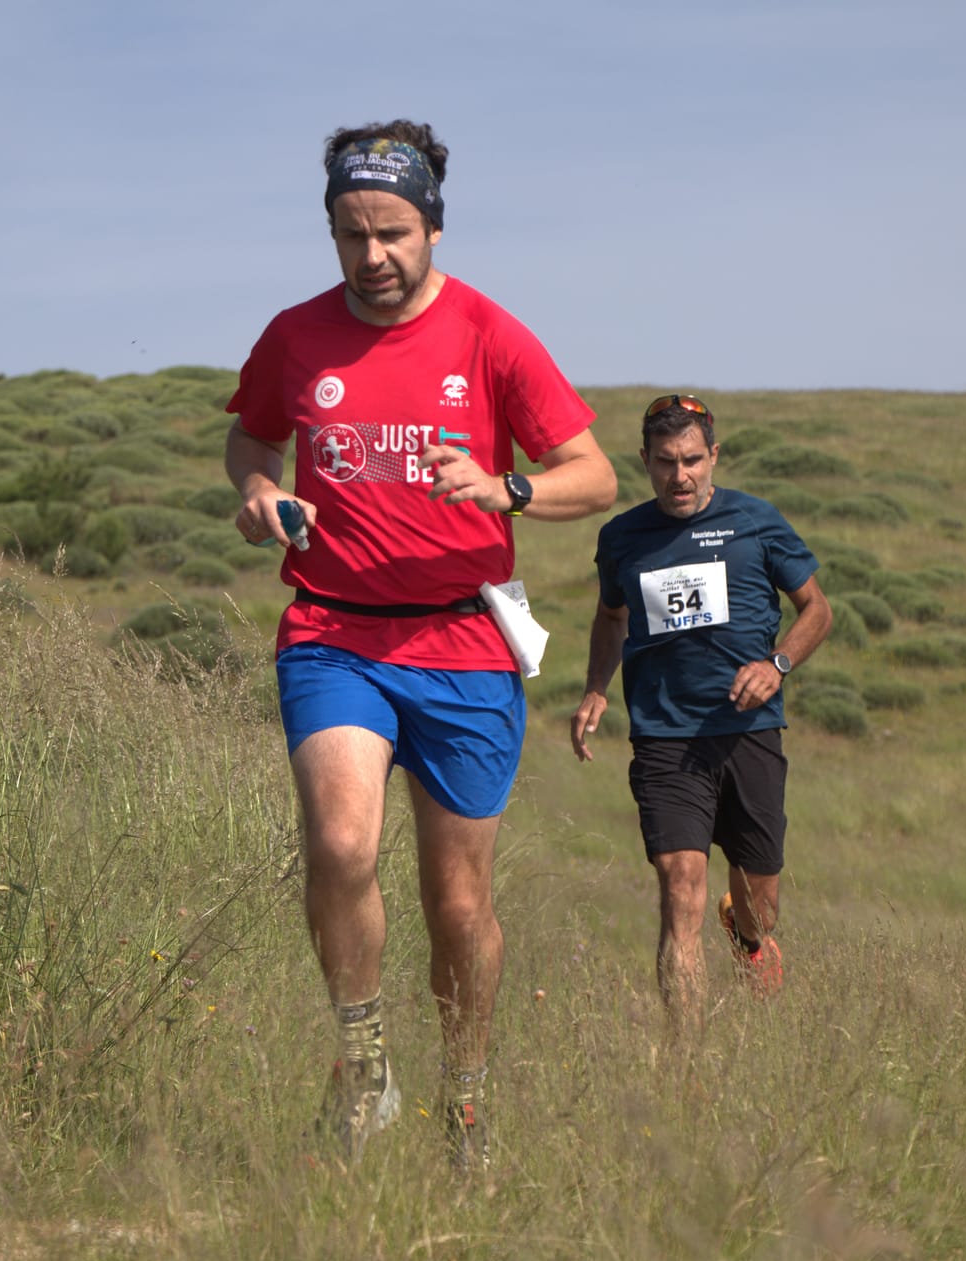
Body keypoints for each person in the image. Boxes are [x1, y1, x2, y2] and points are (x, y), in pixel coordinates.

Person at [224, 120, 617, 1168]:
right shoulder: (295, 336)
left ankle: (466, 1097)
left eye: (393, 232)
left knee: (457, 906)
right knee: (342, 846)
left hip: (461, 644)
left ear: (433, 225)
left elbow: (593, 473)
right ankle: (363, 1075)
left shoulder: (490, 336)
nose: (373, 257)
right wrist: (260, 491)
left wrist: (509, 488)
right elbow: (253, 434)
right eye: (351, 235)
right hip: (331, 633)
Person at [570, 394, 832, 1029]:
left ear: (714, 456)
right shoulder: (622, 538)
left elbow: (817, 611)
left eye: (691, 460)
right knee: (679, 885)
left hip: (749, 731)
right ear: (644, 462)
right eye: (664, 462)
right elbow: (611, 618)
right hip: (665, 736)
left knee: (760, 905)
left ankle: (745, 938)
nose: (679, 476)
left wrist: (778, 667)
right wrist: (597, 687)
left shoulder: (757, 522)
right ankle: (689, 1059)